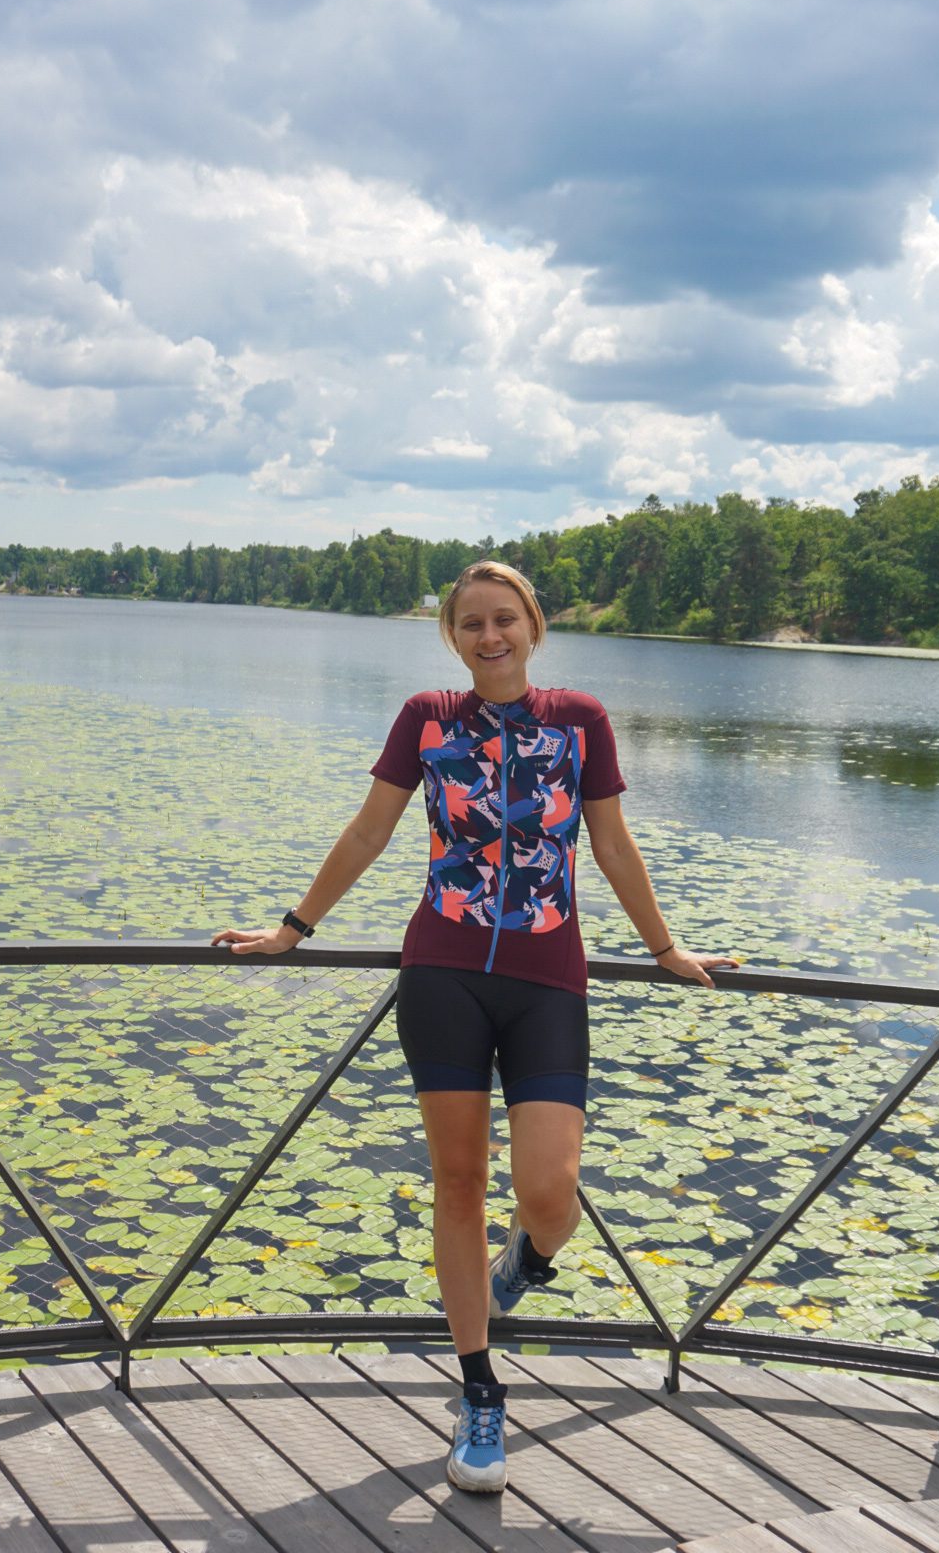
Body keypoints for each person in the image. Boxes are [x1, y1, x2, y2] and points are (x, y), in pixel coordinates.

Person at [212, 560, 739, 1494]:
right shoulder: (426, 718)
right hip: (443, 976)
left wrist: (664, 948)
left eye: (505, 620)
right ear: (452, 637)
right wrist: (294, 929)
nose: (490, 637)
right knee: (457, 1182)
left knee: (551, 1192)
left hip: (548, 981)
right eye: (471, 624)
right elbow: (370, 831)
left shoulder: (581, 721)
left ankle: (524, 1263)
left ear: (534, 626)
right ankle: (480, 1389)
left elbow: (611, 844)